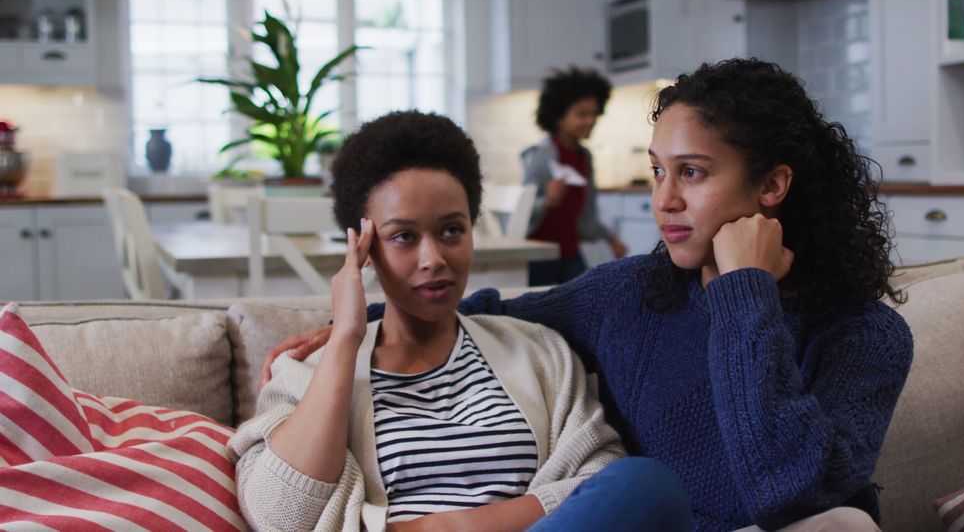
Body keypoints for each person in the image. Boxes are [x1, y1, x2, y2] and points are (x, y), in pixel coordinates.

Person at [263, 59, 915, 531]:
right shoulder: (631, 295)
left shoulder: (866, 336)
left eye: (692, 172)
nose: (664, 200)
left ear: (771, 186)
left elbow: (792, 497)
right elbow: (486, 315)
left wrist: (745, 294)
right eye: (659, 171)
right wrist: (356, 323)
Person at [229, 111, 691, 532]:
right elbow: (280, 517)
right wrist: (347, 335)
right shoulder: (310, 370)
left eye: (452, 230)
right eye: (404, 237)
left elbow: (599, 479)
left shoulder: (539, 352)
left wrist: (450, 526)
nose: (434, 259)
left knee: (645, 483)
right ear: (364, 249)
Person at [521, 67, 628, 286]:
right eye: (582, 114)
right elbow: (522, 211)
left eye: (594, 114)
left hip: (570, 253)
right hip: (539, 256)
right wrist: (547, 203)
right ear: (558, 117)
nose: (590, 120)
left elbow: (587, 213)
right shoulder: (541, 156)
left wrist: (612, 238)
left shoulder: (584, 157)